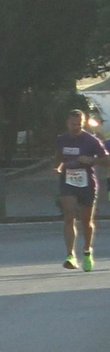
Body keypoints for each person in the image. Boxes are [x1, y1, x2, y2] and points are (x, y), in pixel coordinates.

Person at [55, 110, 107, 270]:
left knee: (86, 221)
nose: (76, 127)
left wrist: (92, 160)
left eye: (79, 124)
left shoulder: (91, 140)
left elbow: (107, 159)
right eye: (73, 124)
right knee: (69, 216)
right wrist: (57, 167)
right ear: (67, 123)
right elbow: (58, 157)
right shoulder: (61, 140)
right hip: (68, 181)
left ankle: (86, 251)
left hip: (86, 183)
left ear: (83, 123)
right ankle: (70, 255)